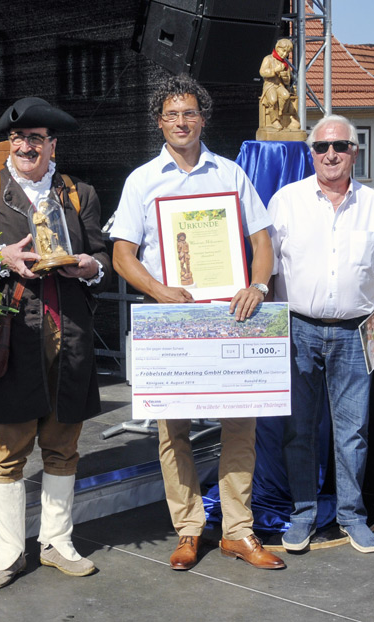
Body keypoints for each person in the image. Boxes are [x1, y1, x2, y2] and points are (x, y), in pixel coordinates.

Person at [109, 73, 284, 572]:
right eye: (171, 114)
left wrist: (259, 285)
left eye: (189, 113)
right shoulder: (142, 180)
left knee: (240, 428)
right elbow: (123, 255)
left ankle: (238, 532)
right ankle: (188, 530)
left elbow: (263, 241)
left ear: (202, 118)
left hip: (234, 317)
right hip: (173, 321)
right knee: (174, 432)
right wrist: (159, 290)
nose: (181, 122)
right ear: (159, 123)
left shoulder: (230, 174)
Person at [0, 97, 112, 589]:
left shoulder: (78, 192)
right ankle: (7, 551)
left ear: (52, 146)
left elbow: (100, 255)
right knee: (9, 447)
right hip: (12, 335)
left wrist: (87, 264)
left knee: (63, 443)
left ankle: (57, 542)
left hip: (70, 331)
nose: (27, 146)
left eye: (37, 139)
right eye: (20, 139)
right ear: (10, 146)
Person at [269, 114, 374, 554]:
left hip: (356, 334)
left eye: (341, 146)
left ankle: (351, 515)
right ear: (311, 153)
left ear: (355, 152)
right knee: (299, 431)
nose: (331, 154)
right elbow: (266, 273)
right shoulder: (285, 201)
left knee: (353, 431)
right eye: (323, 147)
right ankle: (303, 515)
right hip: (297, 331)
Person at [259, 38, 300, 131]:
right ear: (277, 48)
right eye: (283, 51)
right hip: (269, 85)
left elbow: (287, 80)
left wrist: (285, 77)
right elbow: (262, 72)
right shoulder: (268, 59)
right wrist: (274, 71)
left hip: (279, 85)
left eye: (287, 52)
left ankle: (280, 114)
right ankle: (274, 121)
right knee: (273, 100)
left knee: (285, 96)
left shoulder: (284, 64)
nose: (284, 54)